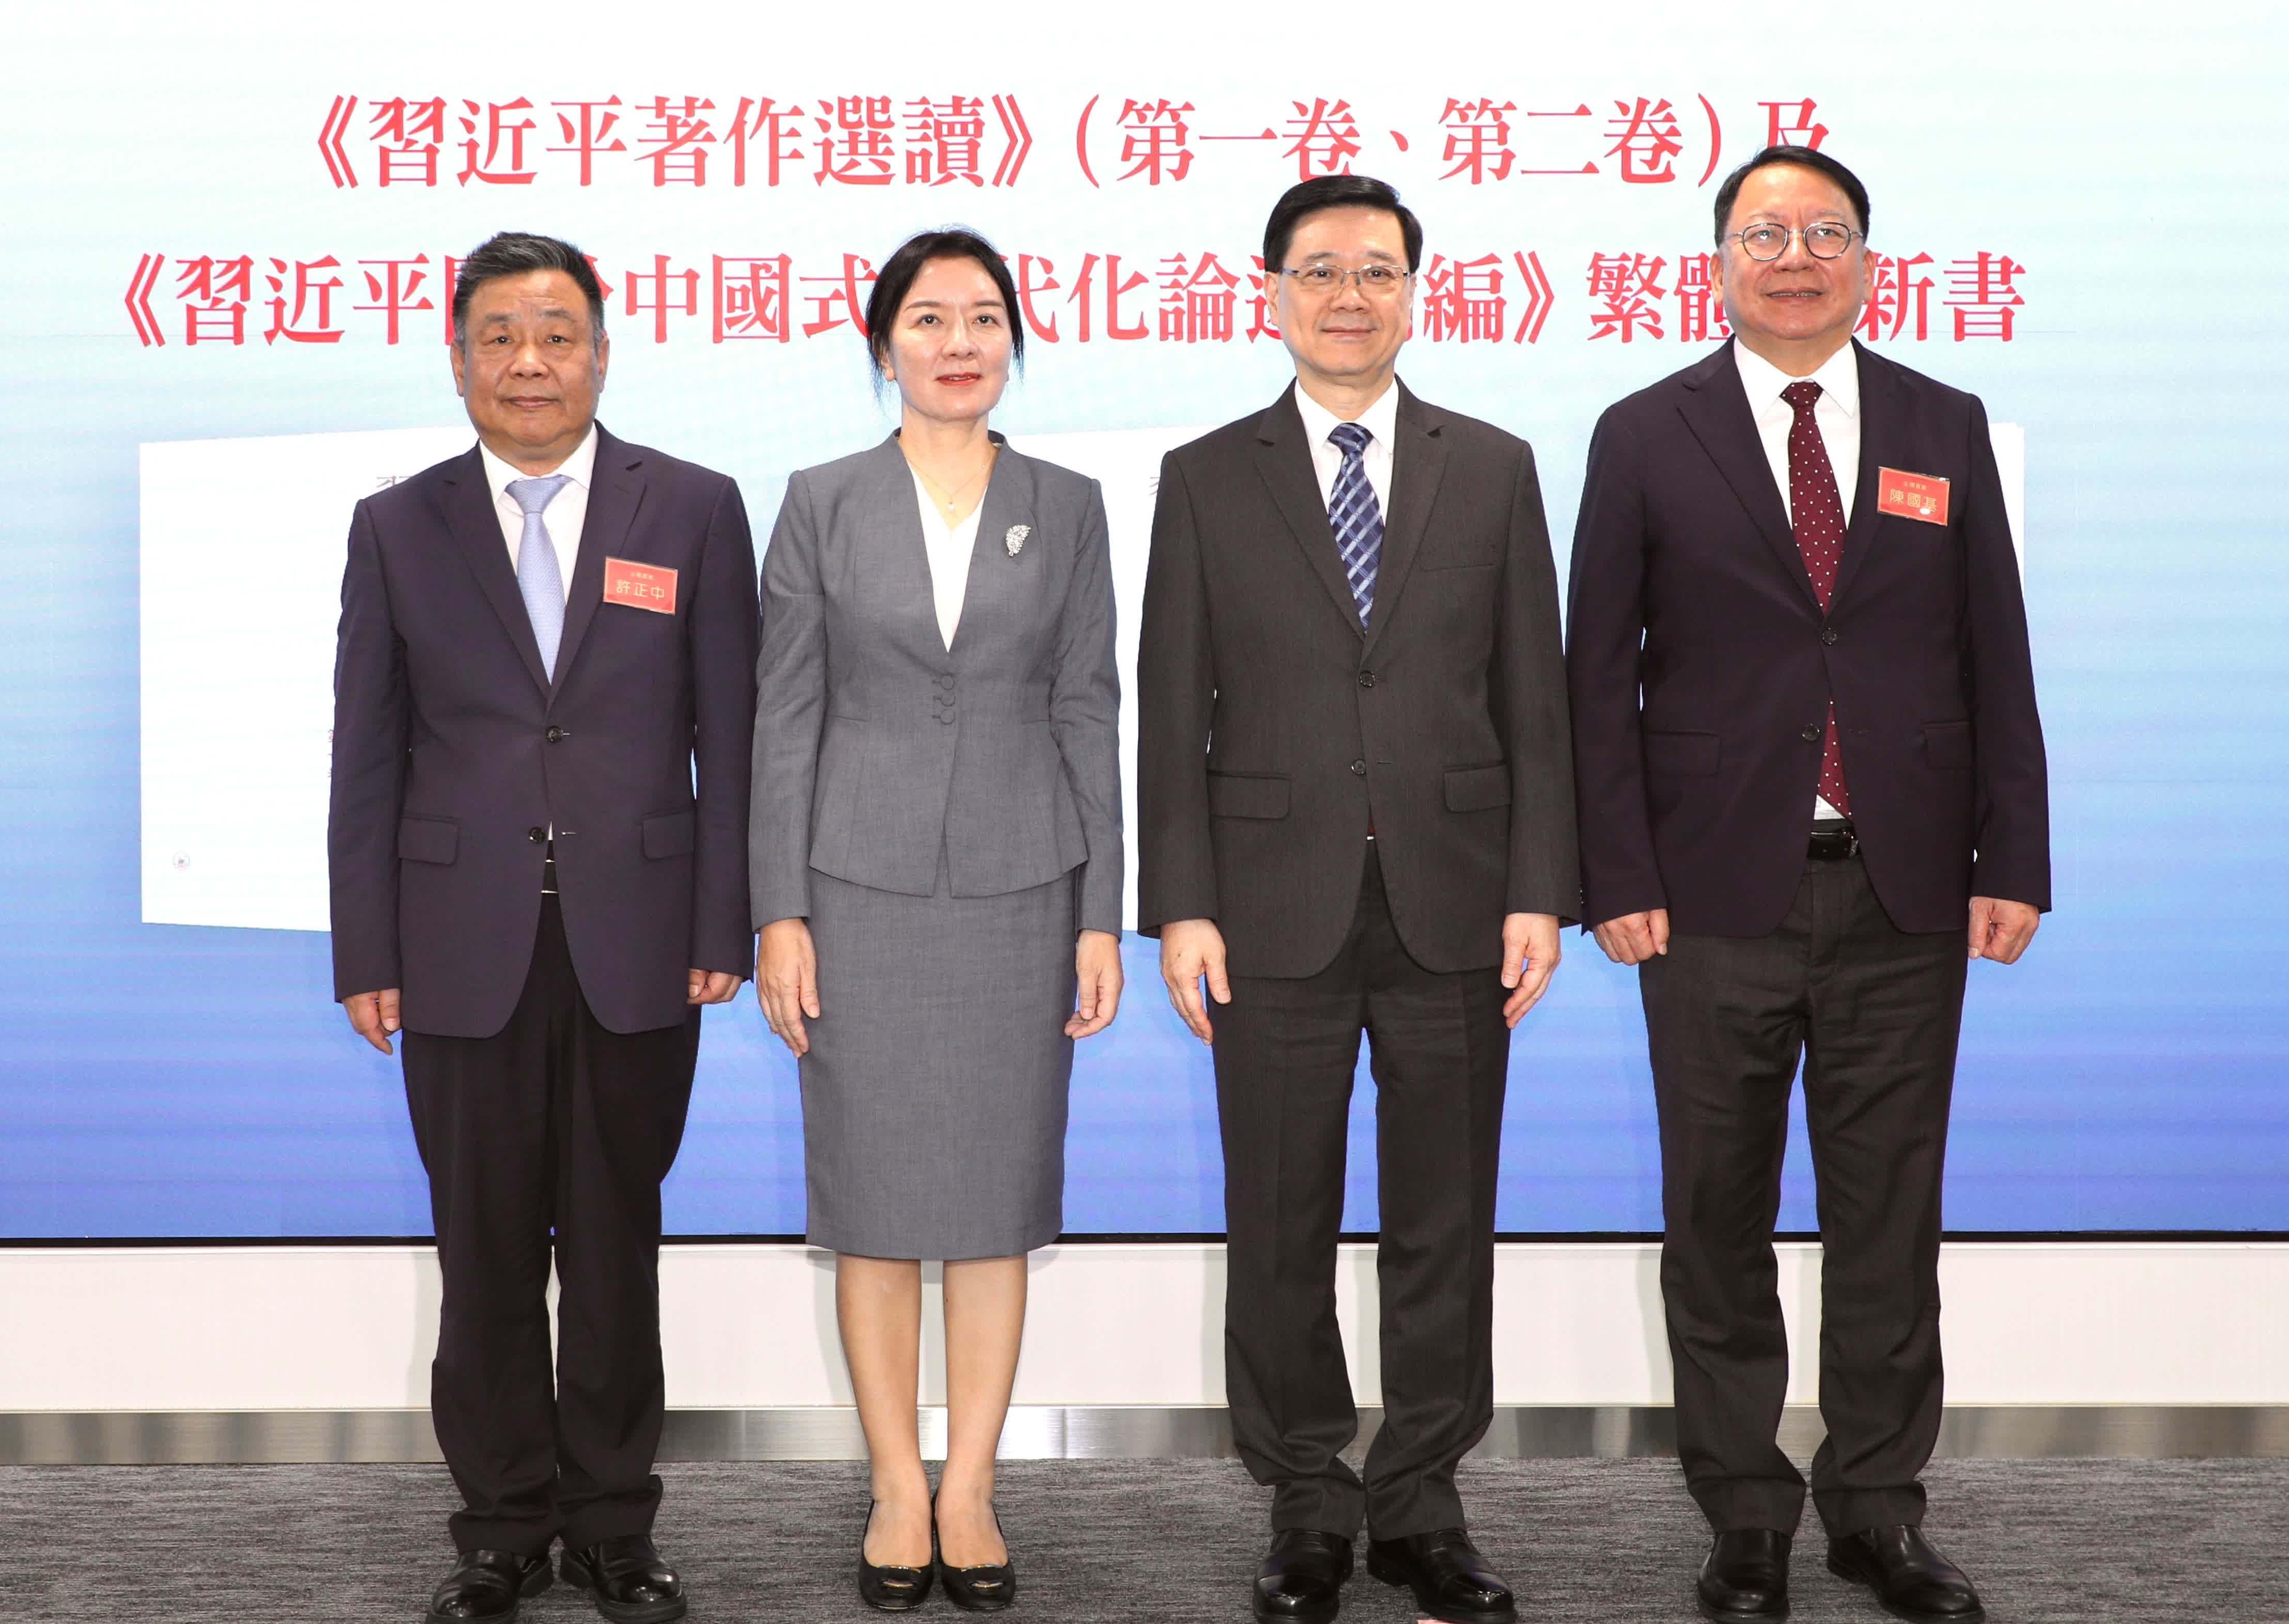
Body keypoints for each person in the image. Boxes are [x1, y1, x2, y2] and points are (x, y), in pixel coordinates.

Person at [1566, 146, 2050, 1624]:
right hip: (1708, 890)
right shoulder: (1645, 431)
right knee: (1715, 1215)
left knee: (1887, 1216)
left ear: (1866, 262)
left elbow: (1996, 646)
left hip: (1907, 887)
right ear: (1718, 262)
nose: (1795, 257)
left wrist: (2014, 854)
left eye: (1824, 233)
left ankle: (1879, 1509)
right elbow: (1595, 678)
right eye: (1765, 234)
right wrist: (1612, 872)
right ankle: (1743, 1513)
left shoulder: (1941, 423)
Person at [1137, 174, 1577, 1624]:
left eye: (1377, 270)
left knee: (1446, 1218)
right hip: (1268, 905)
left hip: (1458, 900)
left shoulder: (1494, 465)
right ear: (1270, 292)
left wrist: (1540, 888)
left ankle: (1425, 1499)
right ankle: (1308, 1500)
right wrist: (1181, 902)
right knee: (1280, 1219)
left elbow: (1536, 698)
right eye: (1320, 270)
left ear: (1415, 292)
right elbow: (1172, 704)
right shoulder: (1207, 475)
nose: (1349, 295)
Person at [328, 231, 757, 1624]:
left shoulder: (692, 507)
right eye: (500, 336)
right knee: (486, 1251)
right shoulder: (397, 525)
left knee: (619, 1245)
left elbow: (732, 738)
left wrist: (726, 919)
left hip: (642, 939)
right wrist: (366, 948)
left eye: (557, 333)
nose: (529, 361)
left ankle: (616, 1526)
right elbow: (366, 754)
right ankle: (502, 1528)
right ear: (458, 360)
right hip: (458, 945)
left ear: (602, 354)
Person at [749, 226, 1124, 1613]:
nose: (957, 342)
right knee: (874, 1203)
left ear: (1012, 338)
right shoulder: (821, 500)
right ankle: (895, 1484)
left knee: (992, 1203)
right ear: (883, 345)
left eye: (982, 317)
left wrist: (1101, 913)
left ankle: (970, 1484)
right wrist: (779, 911)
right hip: (858, 890)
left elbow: (1089, 705)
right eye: (927, 317)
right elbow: (784, 715)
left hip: (1025, 890)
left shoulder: (1067, 503)